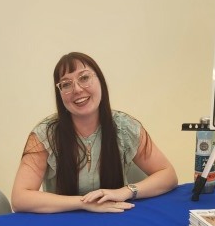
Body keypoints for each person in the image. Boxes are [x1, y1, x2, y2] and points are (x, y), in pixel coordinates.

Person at [11, 52, 178, 213]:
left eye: (84, 78)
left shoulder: (124, 127)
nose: (77, 89)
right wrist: (84, 203)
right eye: (66, 84)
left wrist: (126, 191)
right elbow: (20, 198)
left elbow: (167, 175)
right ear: (60, 94)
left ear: (100, 81)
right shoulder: (44, 134)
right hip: (62, 223)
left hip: (115, 218)